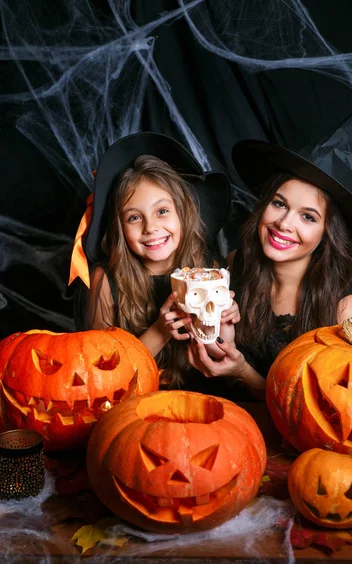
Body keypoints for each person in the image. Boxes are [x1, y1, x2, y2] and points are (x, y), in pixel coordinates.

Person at [186, 78, 352, 402]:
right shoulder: (233, 267)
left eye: (308, 216)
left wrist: (242, 371)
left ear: (328, 233)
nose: (284, 223)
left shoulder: (345, 308)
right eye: (279, 203)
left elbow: (332, 414)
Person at [69, 131, 238, 390]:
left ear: (183, 213)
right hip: (136, 406)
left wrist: (221, 327)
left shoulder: (209, 271)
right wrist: (159, 332)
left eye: (162, 211)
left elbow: (220, 365)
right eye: (134, 217)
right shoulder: (105, 281)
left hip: (202, 403)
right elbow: (102, 377)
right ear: (120, 228)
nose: (151, 227)